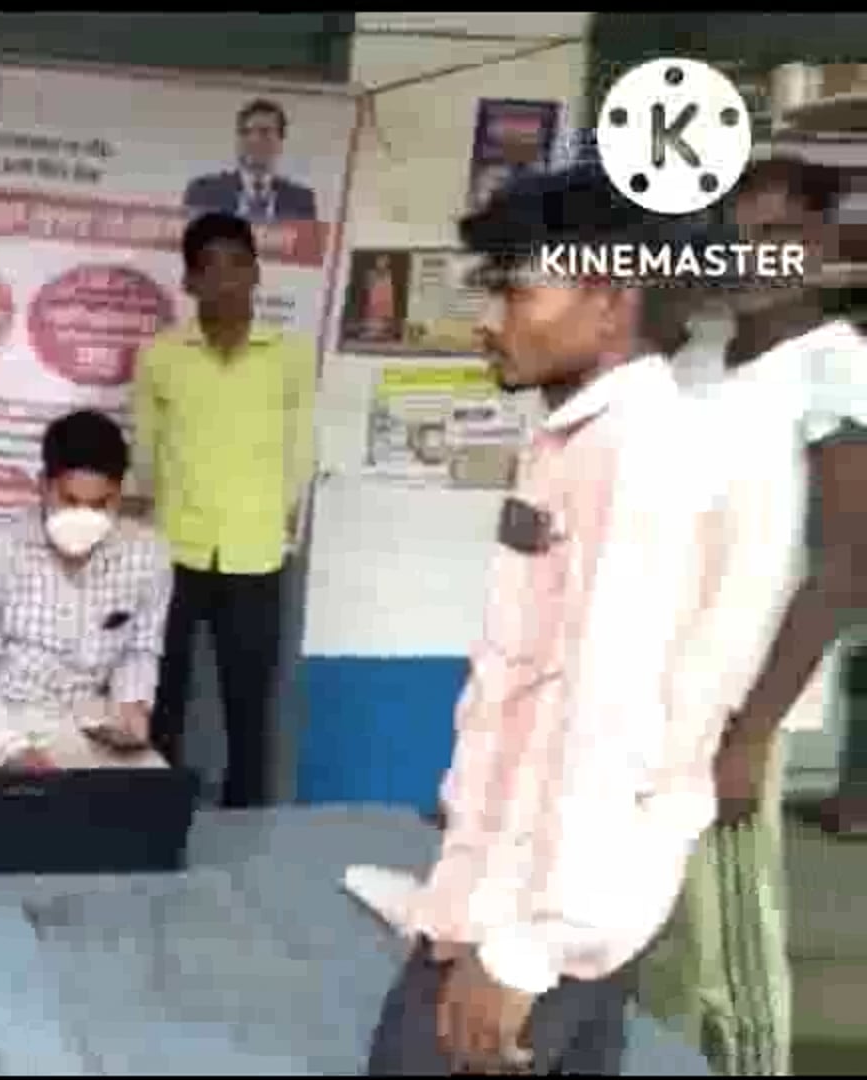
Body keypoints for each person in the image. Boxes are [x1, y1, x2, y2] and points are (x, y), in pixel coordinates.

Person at [366, 165, 730, 1076]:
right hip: (535, 896)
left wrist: (525, 950)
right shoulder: (579, 440)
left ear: (609, 300)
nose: (488, 322)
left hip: (544, 915)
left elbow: (616, 730)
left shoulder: (638, 459)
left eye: (515, 291)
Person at [637, 156, 867, 1077]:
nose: (755, 257)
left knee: (728, 958)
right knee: (646, 936)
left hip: (734, 704)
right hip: (649, 688)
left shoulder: (835, 364)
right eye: (738, 238)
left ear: (819, 240)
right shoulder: (697, 353)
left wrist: (753, 733)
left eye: (777, 236)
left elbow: (847, 564)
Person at [130, 211, 317, 809]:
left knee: (249, 703)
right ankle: (152, 812)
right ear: (189, 282)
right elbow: (145, 452)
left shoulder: (289, 356)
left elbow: (301, 452)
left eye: (238, 265)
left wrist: (270, 514)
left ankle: (247, 817)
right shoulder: (161, 356)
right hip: (174, 553)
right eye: (209, 268)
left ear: (257, 274)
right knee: (162, 696)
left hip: (255, 555)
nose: (225, 280)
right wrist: (163, 516)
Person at [0, 410, 174, 813]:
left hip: (83, 715)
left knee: (150, 800)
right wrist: (12, 749)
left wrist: (133, 704)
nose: (85, 517)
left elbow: (140, 649)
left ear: (118, 495)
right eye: (70, 501)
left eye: (100, 504)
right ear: (43, 486)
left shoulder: (148, 556)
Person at [182, 99, 319, 223]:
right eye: (245, 132)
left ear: (280, 141)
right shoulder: (203, 192)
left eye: (264, 132)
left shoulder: (301, 200)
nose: (254, 140)